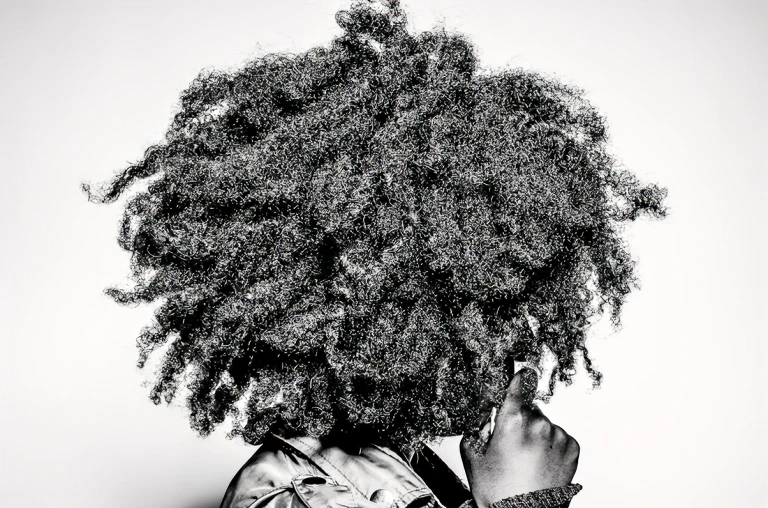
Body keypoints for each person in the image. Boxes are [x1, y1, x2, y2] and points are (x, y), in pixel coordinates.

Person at [83, 1, 667, 507]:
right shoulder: (300, 497)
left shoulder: (399, 469)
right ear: (384, 320)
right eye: (486, 309)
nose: (516, 347)